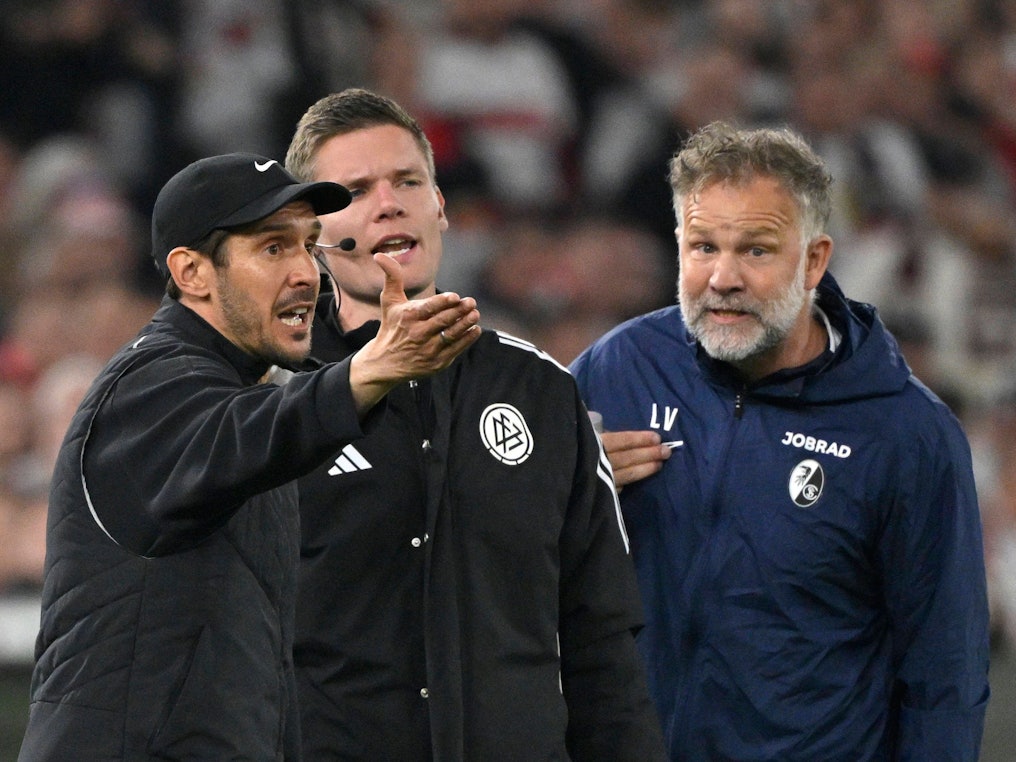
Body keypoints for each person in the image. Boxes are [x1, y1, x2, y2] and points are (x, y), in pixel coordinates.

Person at [18, 152, 480, 760]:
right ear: (192, 273)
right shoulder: (150, 384)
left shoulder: (247, 396)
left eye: (308, 246)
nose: (306, 272)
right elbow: (255, 431)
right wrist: (372, 370)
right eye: (272, 249)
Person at [569, 121, 991, 760]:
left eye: (756, 251)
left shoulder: (907, 435)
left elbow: (945, 675)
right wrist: (565, 488)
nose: (722, 278)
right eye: (702, 247)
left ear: (815, 260)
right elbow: (503, 547)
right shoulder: (617, 369)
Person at [283, 87, 665, 760]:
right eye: (356, 189)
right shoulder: (269, 401)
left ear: (440, 208)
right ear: (310, 233)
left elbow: (600, 643)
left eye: (408, 181)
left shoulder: (542, 393)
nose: (389, 202)